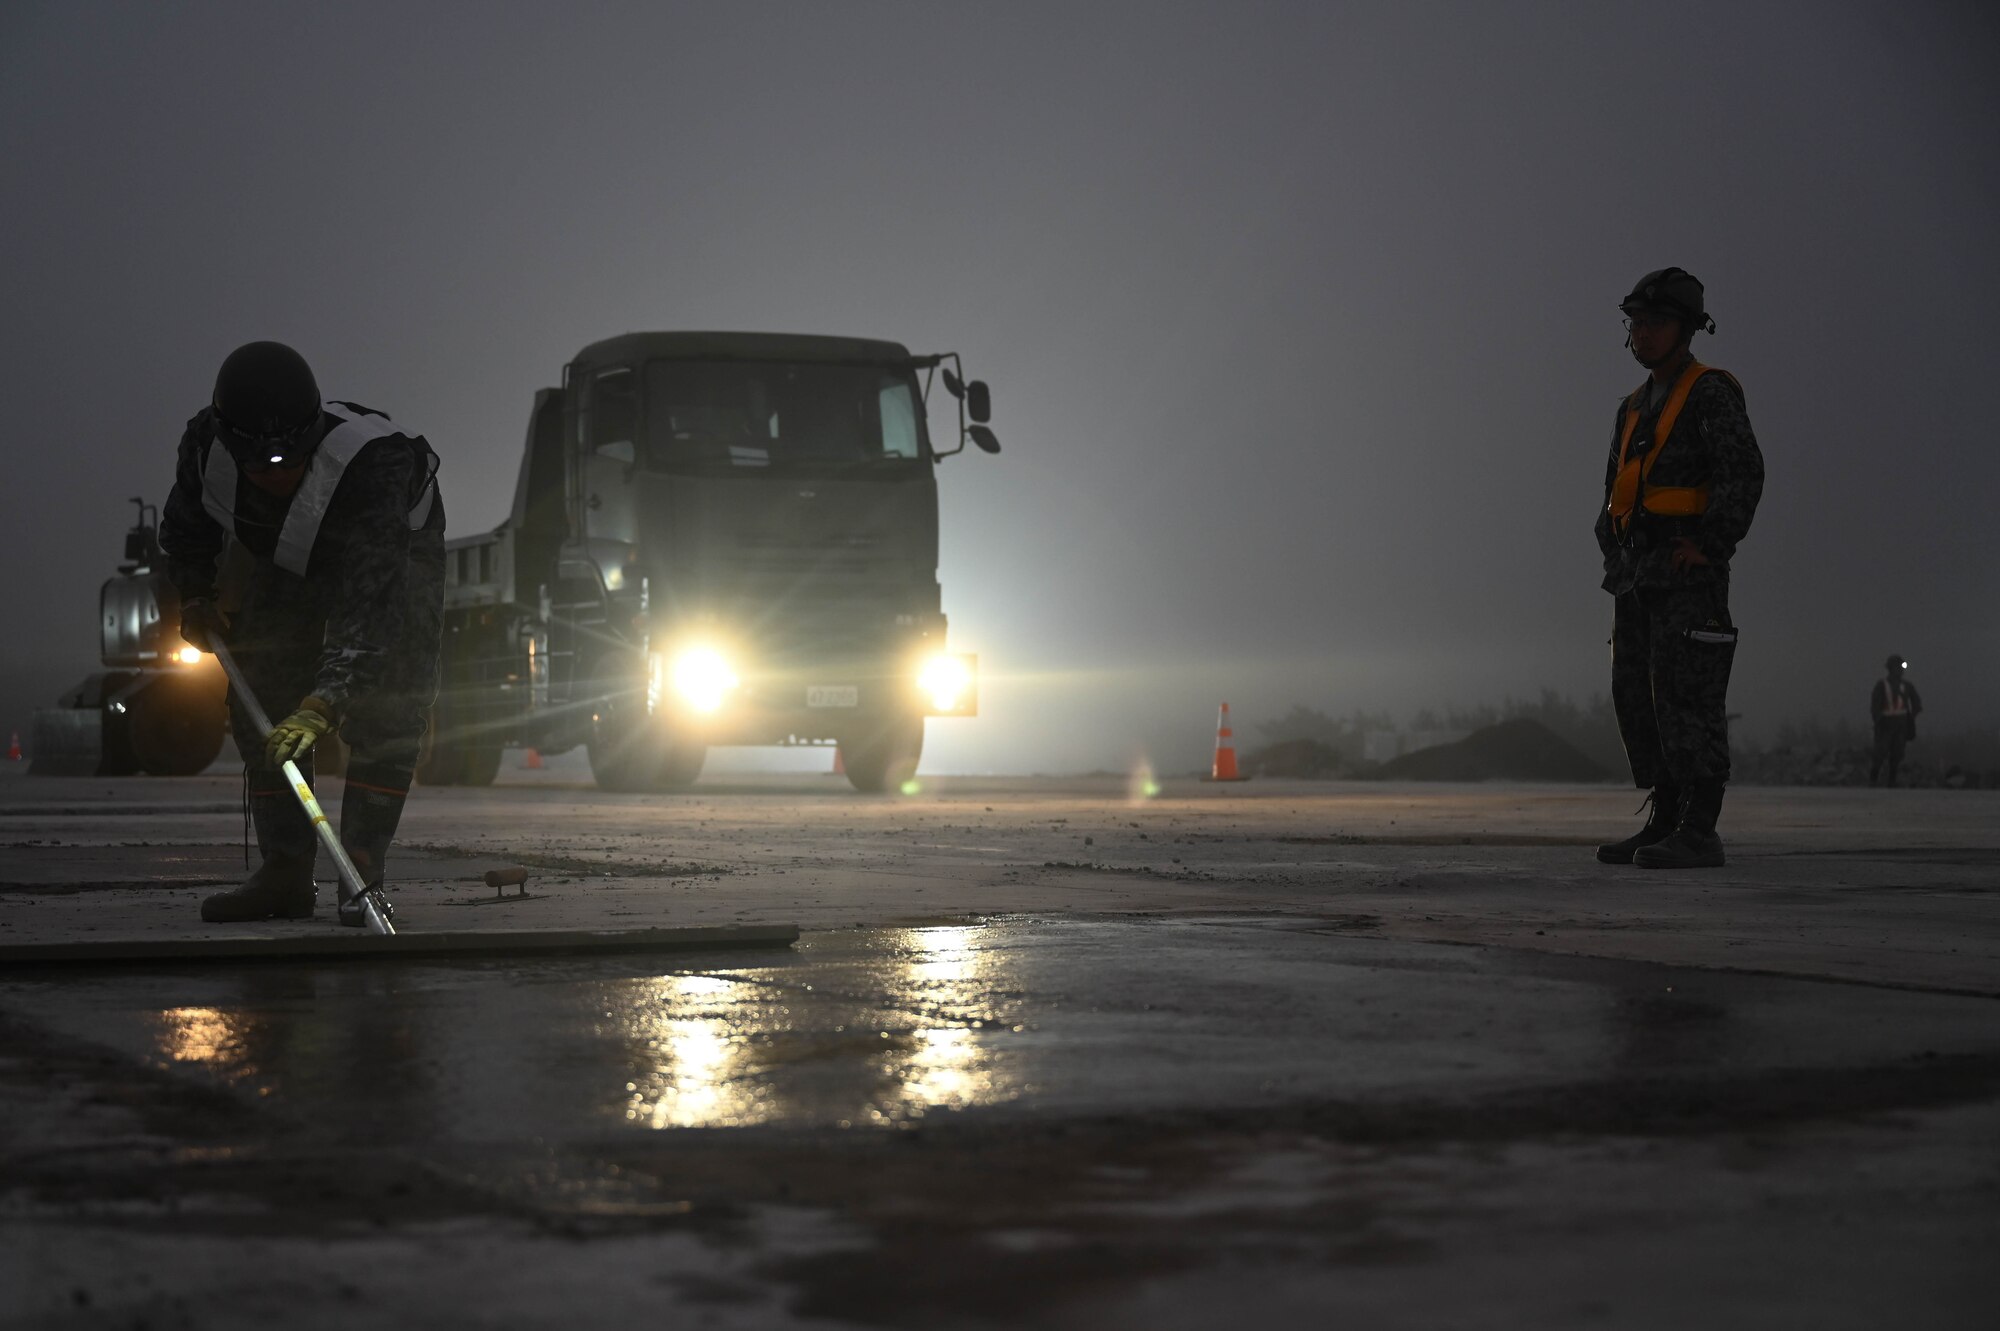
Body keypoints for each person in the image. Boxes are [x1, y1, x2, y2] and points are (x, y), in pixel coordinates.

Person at [161, 341, 445, 925]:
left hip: (396, 555)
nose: (277, 474)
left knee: (390, 702)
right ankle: (286, 871)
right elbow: (187, 532)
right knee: (258, 693)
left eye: (289, 462)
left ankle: (360, 869)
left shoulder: (375, 469)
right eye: (259, 466)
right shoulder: (203, 446)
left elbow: (370, 609)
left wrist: (324, 703)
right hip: (289, 556)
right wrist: (196, 598)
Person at [1593, 269, 1764, 869]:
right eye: (1635, 323)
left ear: (1687, 330)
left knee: (1688, 697)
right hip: (1636, 576)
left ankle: (1700, 828)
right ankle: (1665, 817)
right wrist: (1614, 554)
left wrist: (1713, 545)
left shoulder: (1710, 392)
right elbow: (1613, 490)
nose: (1641, 334)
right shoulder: (1632, 408)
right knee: (1635, 694)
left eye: (1654, 323)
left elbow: (1742, 471)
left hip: (1687, 578)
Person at [1869, 654, 1923, 787]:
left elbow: (1917, 703)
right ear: (1891, 668)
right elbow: (1875, 705)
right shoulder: (1882, 685)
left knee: (1897, 753)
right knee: (1880, 752)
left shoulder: (1907, 686)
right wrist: (1878, 720)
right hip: (1886, 724)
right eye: (1898, 667)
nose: (1901, 670)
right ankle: (1873, 779)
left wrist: (1911, 718)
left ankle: (1892, 781)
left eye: (1902, 667)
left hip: (1901, 724)